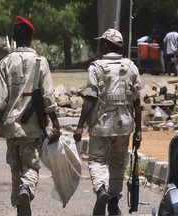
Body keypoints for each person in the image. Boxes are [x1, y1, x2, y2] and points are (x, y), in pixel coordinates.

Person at [0, 16, 60, 216]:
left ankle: (21, 206)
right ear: (30, 38)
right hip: (33, 126)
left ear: (14, 37)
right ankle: (26, 190)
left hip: (11, 127)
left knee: (15, 168)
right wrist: (55, 124)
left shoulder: (6, 62)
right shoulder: (40, 62)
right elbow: (47, 97)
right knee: (30, 166)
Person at [73, 29, 142, 216]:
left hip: (101, 125)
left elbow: (90, 99)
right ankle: (113, 202)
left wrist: (80, 125)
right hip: (124, 125)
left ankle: (101, 189)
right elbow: (137, 102)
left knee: (97, 160)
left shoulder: (96, 67)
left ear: (105, 44)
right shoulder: (131, 67)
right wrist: (139, 131)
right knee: (118, 163)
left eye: (101, 43)